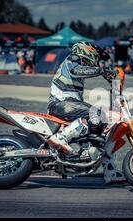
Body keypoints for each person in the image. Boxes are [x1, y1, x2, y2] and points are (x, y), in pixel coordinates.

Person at [46, 41, 123, 182]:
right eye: (96, 55)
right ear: (88, 50)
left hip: (69, 104)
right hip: (61, 103)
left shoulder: (76, 61)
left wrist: (108, 78)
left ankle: (110, 173)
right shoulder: (73, 58)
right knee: (97, 114)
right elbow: (76, 71)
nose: (97, 59)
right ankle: (60, 138)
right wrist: (100, 70)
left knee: (100, 136)